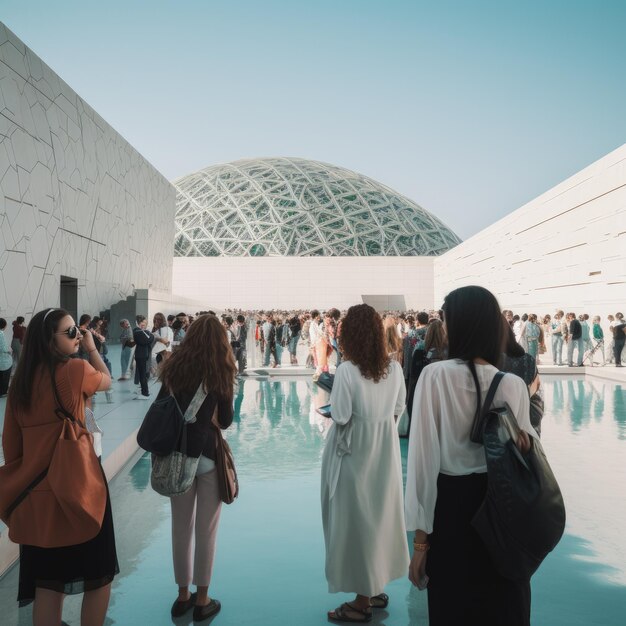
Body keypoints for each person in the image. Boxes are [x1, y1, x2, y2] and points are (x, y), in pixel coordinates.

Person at [405, 286, 536, 626]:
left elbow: (423, 461)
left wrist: (420, 543)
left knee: (454, 605)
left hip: (452, 509)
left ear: (460, 324)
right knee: (502, 606)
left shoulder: (435, 376)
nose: (443, 327)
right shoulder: (512, 384)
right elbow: (527, 451)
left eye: (446, 319)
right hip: (502, 507)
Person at [1, 308, 116, 625]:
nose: (78, 336)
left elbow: (11, 449)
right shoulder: (76, 370)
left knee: (48, 585)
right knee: (99, 576)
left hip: (37, 498)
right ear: (48, 341)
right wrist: (92, 347)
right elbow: (106, 380)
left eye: (78, 332)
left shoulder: (20, 384)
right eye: (71, 333)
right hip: (80, 489)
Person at [321, 304, 409, 623]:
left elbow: (341, 415)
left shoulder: (347, 370)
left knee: (355, 521)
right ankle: (374, 585)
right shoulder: (394, 368)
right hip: (383, 449)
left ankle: (361, 603)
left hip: (352, 451)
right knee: (379, 516)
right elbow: (399, 407)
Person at [157, 314, 236, 622]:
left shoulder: (174, 367)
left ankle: (182, 596)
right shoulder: (222, 370)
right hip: (208, 457)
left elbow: (165, 409)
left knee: (181, 528)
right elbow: (226, 420)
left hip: (178, 455)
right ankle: (203, 599)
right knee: (207, 531)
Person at [133, 315, 154, 399]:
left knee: (142, 374)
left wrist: (150, 335)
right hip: (140, 355)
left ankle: (144, 392)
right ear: (139, 323)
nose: (145, 324)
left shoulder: (140, 331)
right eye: (144, 323)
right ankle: (145, 393)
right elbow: (149, 339)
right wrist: (151, 335)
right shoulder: (137, 331)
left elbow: (149, 337)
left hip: (141, 355)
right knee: (142, 374)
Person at [0, 318, 13, 396]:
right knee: (4, 377)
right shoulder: (1, 334)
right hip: (3, 360)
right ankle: (3, 392)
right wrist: (9, 350)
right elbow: (3, 348)